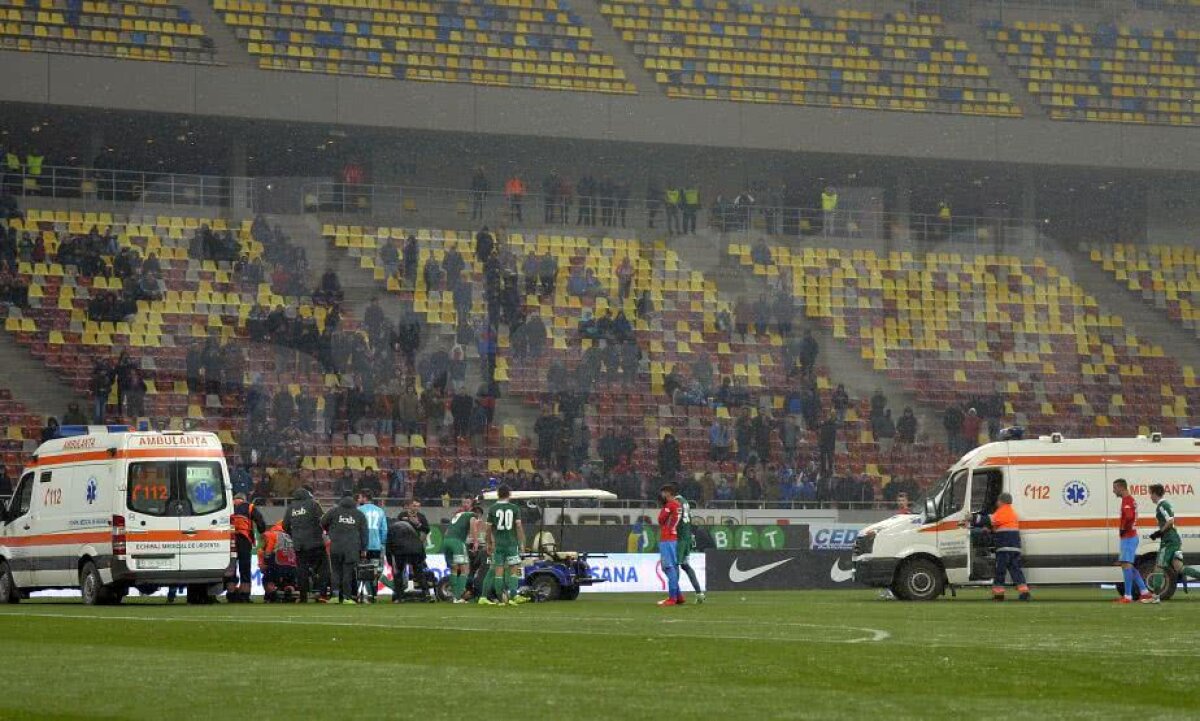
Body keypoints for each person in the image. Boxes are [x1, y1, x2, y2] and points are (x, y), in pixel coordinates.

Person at [971, 492, 1029, 601]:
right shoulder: (1012, 513)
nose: (997, 502)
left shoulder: (1002, 511)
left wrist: (972, 518)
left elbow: (988, 519)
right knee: (1016, 570)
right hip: (1015, 547)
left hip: (1004, 547)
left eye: (998, 500)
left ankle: (999, 595)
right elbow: (1002, 525)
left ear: (1001, 501)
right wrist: (991, 530)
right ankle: (1024, 592)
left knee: (1000, 571)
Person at [1148, 483, 1200, 596]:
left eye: (1150, 493)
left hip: (1169, 541)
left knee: (1159, 566)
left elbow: (1170, 521)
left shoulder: (1162, 505)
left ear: (1155, 494)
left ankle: (1155, 596)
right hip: (1173, 540)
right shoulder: (1165, 504)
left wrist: (1159, 532)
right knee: (1179, 568)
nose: (1150, 496)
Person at [481, 483, 528, 606]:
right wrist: (522, 542)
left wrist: (488, 543)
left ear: (498, 494)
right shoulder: (514, 508)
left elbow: (488, 529)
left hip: (499, 545)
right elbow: (518, 526)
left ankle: (501, 599)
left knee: (498, 573)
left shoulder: (492, 508)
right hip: (511, 544)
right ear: (509, 494)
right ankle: (513, 597)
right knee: (513, 571)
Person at [283, 487, 329, 603]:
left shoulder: (291, 508)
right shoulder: (313, 504)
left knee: (302, 571)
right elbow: (323, 520)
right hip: (315, 543)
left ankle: (303, 597)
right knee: (323, 568)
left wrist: (294, 535)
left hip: (299, 545)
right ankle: (322, 594)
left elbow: (285, 525)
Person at [1112, 478, 1154, 604]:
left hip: (1129, 537)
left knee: (1126, 566)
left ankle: (1128, 596)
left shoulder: (1127, 501)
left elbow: (1129, 516)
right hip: (1131, 537)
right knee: (1130, 567)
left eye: (1115, 488)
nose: (1114, 491)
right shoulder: (1130, 500)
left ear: (1121, 488)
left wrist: (1123, 528)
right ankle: (1144, 592)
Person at [321, 495, 368, 604]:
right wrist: (364, 548)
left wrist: (330, 531)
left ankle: (335, 596)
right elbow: (364, 533)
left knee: (336, 571)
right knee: (348, 572)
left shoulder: (333, 511)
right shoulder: (359, 514)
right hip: (352, 547)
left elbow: (323, 522)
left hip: (336, 546)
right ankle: (347, 597)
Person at [228, 493, 266, 602]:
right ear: (244, 499)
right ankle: (244, 595)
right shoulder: (249, 506)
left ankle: (231, 594)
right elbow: (260, 522)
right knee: (245, 568)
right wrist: (261, 530)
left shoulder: (229, 506)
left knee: (231, 568)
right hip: (244, 540)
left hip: (230, 540)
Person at [387, 512, 432, 602]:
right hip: (416, 551)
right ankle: (426, 593)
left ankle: (399, 597)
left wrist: (391, 563)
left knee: (398, 573)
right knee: (419, 572)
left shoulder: (391, 528)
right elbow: (419, 541)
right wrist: (422, 557)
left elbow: (388, 546)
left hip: (400, 551)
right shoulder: (410, 527)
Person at [443, 502, 481, 603]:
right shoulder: (473, 515)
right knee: (465, 569)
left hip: (446, 541)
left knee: (454, 569)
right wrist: (475, 541)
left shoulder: (458, 515)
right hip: (457, 543)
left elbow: (447, 531)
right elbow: (473, 525)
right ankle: (458, 597)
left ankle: (454, 597)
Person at [356, 490, 389, 603]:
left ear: (365, 498)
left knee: (359, 569)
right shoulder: (380, 511)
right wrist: (382, 543)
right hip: (376, 546)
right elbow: (384, 530)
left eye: (360, 497)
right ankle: (373, 595)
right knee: (374, 570)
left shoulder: (359, 510)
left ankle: (356, 593)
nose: (358, 499)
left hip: (362, 546)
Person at [675, 491, 705, 603]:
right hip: (687, 537)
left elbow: (676, 520)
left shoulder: (677, 502)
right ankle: (699, 593)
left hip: (680, 538)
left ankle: (674, 595)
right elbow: (689, 519)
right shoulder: (685, 502)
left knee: (675, 565)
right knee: (685, 565)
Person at [259, 521, 299, 603]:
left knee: (267, 578)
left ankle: (271, 595)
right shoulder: (291, 536)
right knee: (289, 582)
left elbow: (268, 552)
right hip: (292, 566)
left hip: (277, 565)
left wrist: (265, 562)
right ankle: (289, 591)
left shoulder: (271, 534)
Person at [657, 483, 683, 606]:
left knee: (667, 567)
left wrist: (664, 508)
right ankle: (678, 596)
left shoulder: (670, 505)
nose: (661, 495)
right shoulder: (678, 505)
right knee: (672, 566)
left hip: (666, 539)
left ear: (668, 493)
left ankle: (672, 598)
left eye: (663, 492)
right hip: (673, 537)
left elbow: (661, 519)